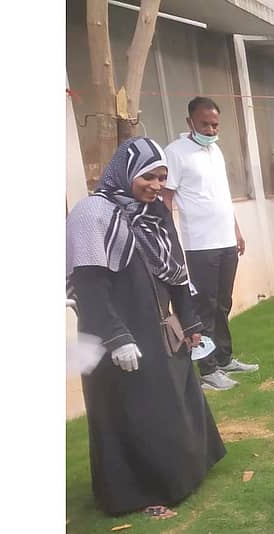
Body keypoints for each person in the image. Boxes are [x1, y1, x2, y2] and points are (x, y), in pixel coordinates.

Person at [65, 137, 226, 516]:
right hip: (113, 331)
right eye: (148, 177)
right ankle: (138, 492)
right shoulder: (93, 213)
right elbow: (89, 286)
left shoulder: (154, 212)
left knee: (172, 399)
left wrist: (190, 321)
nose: (156, 186)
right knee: (133, 410)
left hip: (158, 325)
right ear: (126, 171)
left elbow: (176, 271)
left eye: (161, 178)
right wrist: (116, 337)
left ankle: (184, 473)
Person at [163, 96, 259, 391]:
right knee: (204, 306)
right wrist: (169, 238)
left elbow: (222, 197)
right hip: (199, 245)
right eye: (204, 123)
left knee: (223, 304)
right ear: (190, 122)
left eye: (215, 124)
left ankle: (224, 357)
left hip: (226, 241)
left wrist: (237, 230)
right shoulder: (176, 153)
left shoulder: (215, 151)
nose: (210, 128)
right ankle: (207, 371)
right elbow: (166, 198)